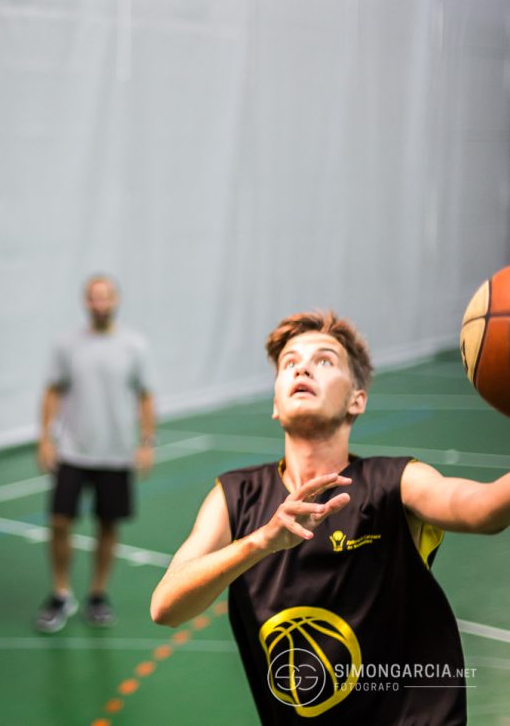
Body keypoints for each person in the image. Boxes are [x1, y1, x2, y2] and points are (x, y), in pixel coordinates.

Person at [151, 310, 510, 725]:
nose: (302, 366)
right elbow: (166, 606)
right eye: (290, 363)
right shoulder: (235, 496)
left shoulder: (395, 482)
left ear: (357, 398)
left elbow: (485, 510)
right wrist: (262, 540)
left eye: (324, 360)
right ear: (275, 402)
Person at [35, 274, 156, 632]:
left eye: (105, 297)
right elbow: (52, 391)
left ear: (116, 300)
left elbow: (145, 395)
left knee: (108, 524)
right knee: (59, 522)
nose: (99, 303)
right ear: (85, 302)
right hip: (73, 452)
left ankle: (98, 593)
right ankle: (60, 593)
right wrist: (45, 438)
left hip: (116, 455)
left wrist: (147, 443)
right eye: (93, 298)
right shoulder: (67, 345)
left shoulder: (134, 345)